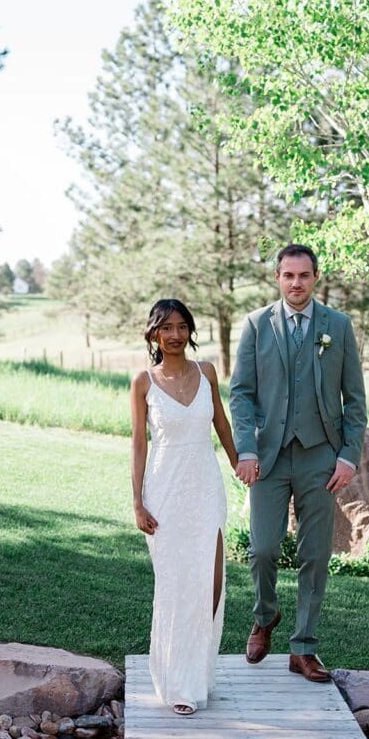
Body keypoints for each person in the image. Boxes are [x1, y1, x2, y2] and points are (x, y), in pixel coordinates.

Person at [230, 244, 367, 682]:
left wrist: (347, 456)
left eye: (303, 275)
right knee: (263, 549)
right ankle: (265, 616)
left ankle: (303, 648)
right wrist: (246, 449)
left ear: (316, 277)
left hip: (321, 459)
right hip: (268, 457)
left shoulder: (338, 327)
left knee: (315, 555)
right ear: (277, 277)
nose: (296, 283)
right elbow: (242, 394)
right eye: (288, 275)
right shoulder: (255, 325)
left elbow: (356, 402)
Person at [131, 299, 238, 716]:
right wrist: (137, 501)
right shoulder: (143, 381)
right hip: (165, 489)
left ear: (190, 331)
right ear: (154, 334)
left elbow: (221, 423)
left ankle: (199, 674)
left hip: (205, 487)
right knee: (176, 587)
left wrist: (238, 462)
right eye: (166, 327)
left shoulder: (206, 371)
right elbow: (139, 443)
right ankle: (177, 683)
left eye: (181, 326)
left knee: (210, 585)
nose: (175, 335)